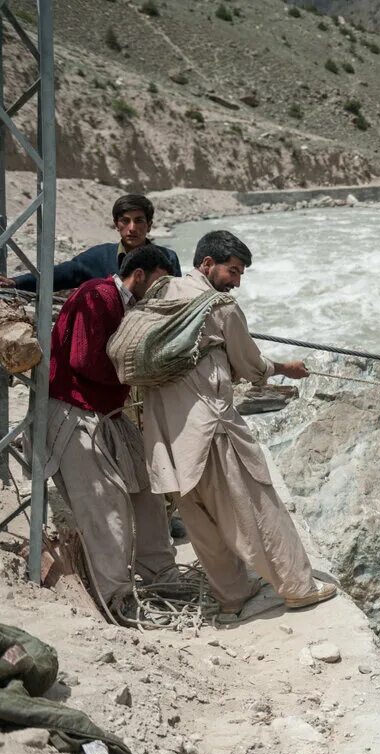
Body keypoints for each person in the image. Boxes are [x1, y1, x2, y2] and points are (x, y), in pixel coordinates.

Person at [139, 230, 335, 614]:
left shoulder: (159, 294)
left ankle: (231, 596)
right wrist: (284, 369)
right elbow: (250, 364)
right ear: (207, 264)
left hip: (164, 434)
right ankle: (297, 586)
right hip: (211, 429)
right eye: (233, 271)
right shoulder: (219, 306)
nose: (237, 282)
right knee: (258, 506)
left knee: (200, 521)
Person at [44, 246, 178, 608]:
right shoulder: (97, 295)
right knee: (105, 506)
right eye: (159, 283)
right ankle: (116, 596)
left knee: (147, 488)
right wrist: (143, 371)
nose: (161, 292)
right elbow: (84, 360)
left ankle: (160, 572)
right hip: (75, 412)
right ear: (139, 275)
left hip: (107, 411)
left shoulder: (128, 304)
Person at [11, 194, 181, 292]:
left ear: (149, 225)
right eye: (125, 221)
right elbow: (61, 274)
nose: (132, 228)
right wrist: (16, 282)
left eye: (139, 221)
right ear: (116, 224)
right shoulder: (100, 256)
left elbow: (179, 300)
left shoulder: (167, 258)